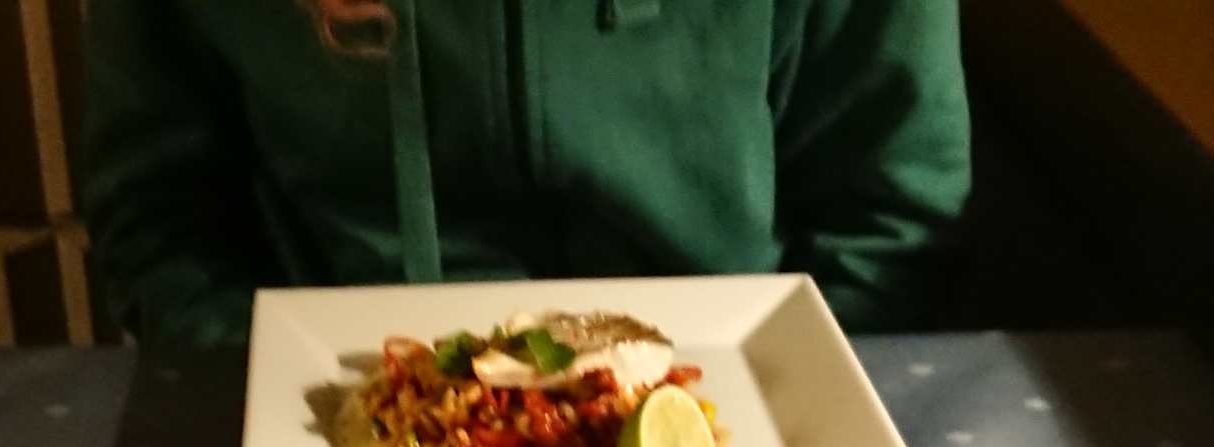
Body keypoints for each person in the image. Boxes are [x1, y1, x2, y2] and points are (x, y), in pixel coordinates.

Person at [77, 0, 972, 346]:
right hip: (323, 426)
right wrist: (255, 383)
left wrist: (801, 420)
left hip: (730, 420)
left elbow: (894, 207)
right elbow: (158, 211)